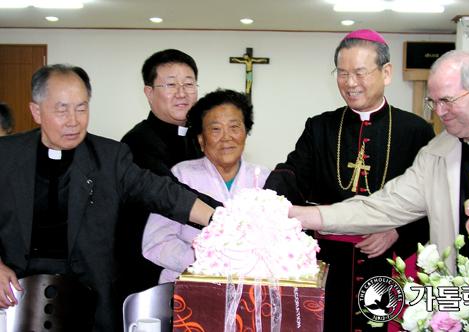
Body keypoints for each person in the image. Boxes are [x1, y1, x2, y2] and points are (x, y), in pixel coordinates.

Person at [290, 50, 469, 273]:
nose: (438, 113)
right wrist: (298, 215)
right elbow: (384, 206)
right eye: (432, 102)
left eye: (447, 101)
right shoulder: (436, 152)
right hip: (460, 298)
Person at [0, 64, 215, 332]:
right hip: (13, 289)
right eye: (61, 109)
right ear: (36, 111)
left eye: (81, 108)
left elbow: (160, 192)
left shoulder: (109, 157)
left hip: (92, 291)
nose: (73, 121)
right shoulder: (5, 155)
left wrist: (219, 219)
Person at [264, 30, 434, 332]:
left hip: (387, 258)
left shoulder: (416, 130)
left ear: (387, 72)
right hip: (330, 259)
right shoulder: (320, 126)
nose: (350, 83)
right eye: (342, 73)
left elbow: (432, 198)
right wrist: (266, 198)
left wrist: (399, 231)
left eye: (359, 72)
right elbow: (293, 173)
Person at [119, 49, 221, 297]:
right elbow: (172, 194)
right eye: (171, 84)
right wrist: (227, 216)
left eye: (188, 84)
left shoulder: (200, 138)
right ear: (149, 92)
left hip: (197, 260)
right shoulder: (137, 142)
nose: (182, 93)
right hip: (149, 267)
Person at [142, 89, 270, 283]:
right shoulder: (182, 175)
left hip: (251, 288)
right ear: (201, 140)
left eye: (234, 127)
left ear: (245, 133)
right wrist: (207, 261)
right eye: (216, 129)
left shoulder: (264, 179)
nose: (227, 137)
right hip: (188, 288)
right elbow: (155, 242)